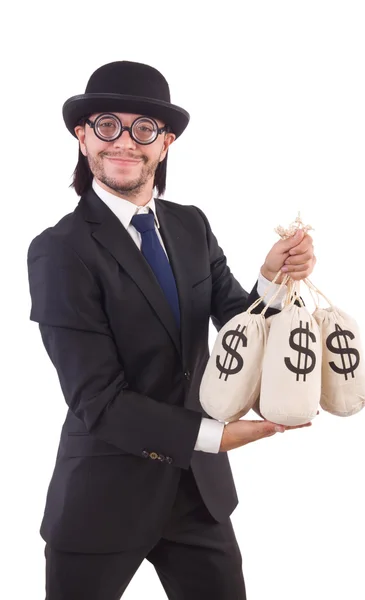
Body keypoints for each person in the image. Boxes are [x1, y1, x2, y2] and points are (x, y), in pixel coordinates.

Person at [27, 60, 316, 600]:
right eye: (107, 125)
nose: (124, 143)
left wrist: (273, 281)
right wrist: (214, 436)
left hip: (197, 496)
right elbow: (96, 397)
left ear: (165, 143)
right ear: (82, 135)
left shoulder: (190, 224)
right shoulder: (60, 249)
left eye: (143, 129)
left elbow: (238, 324)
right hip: (103, 498)